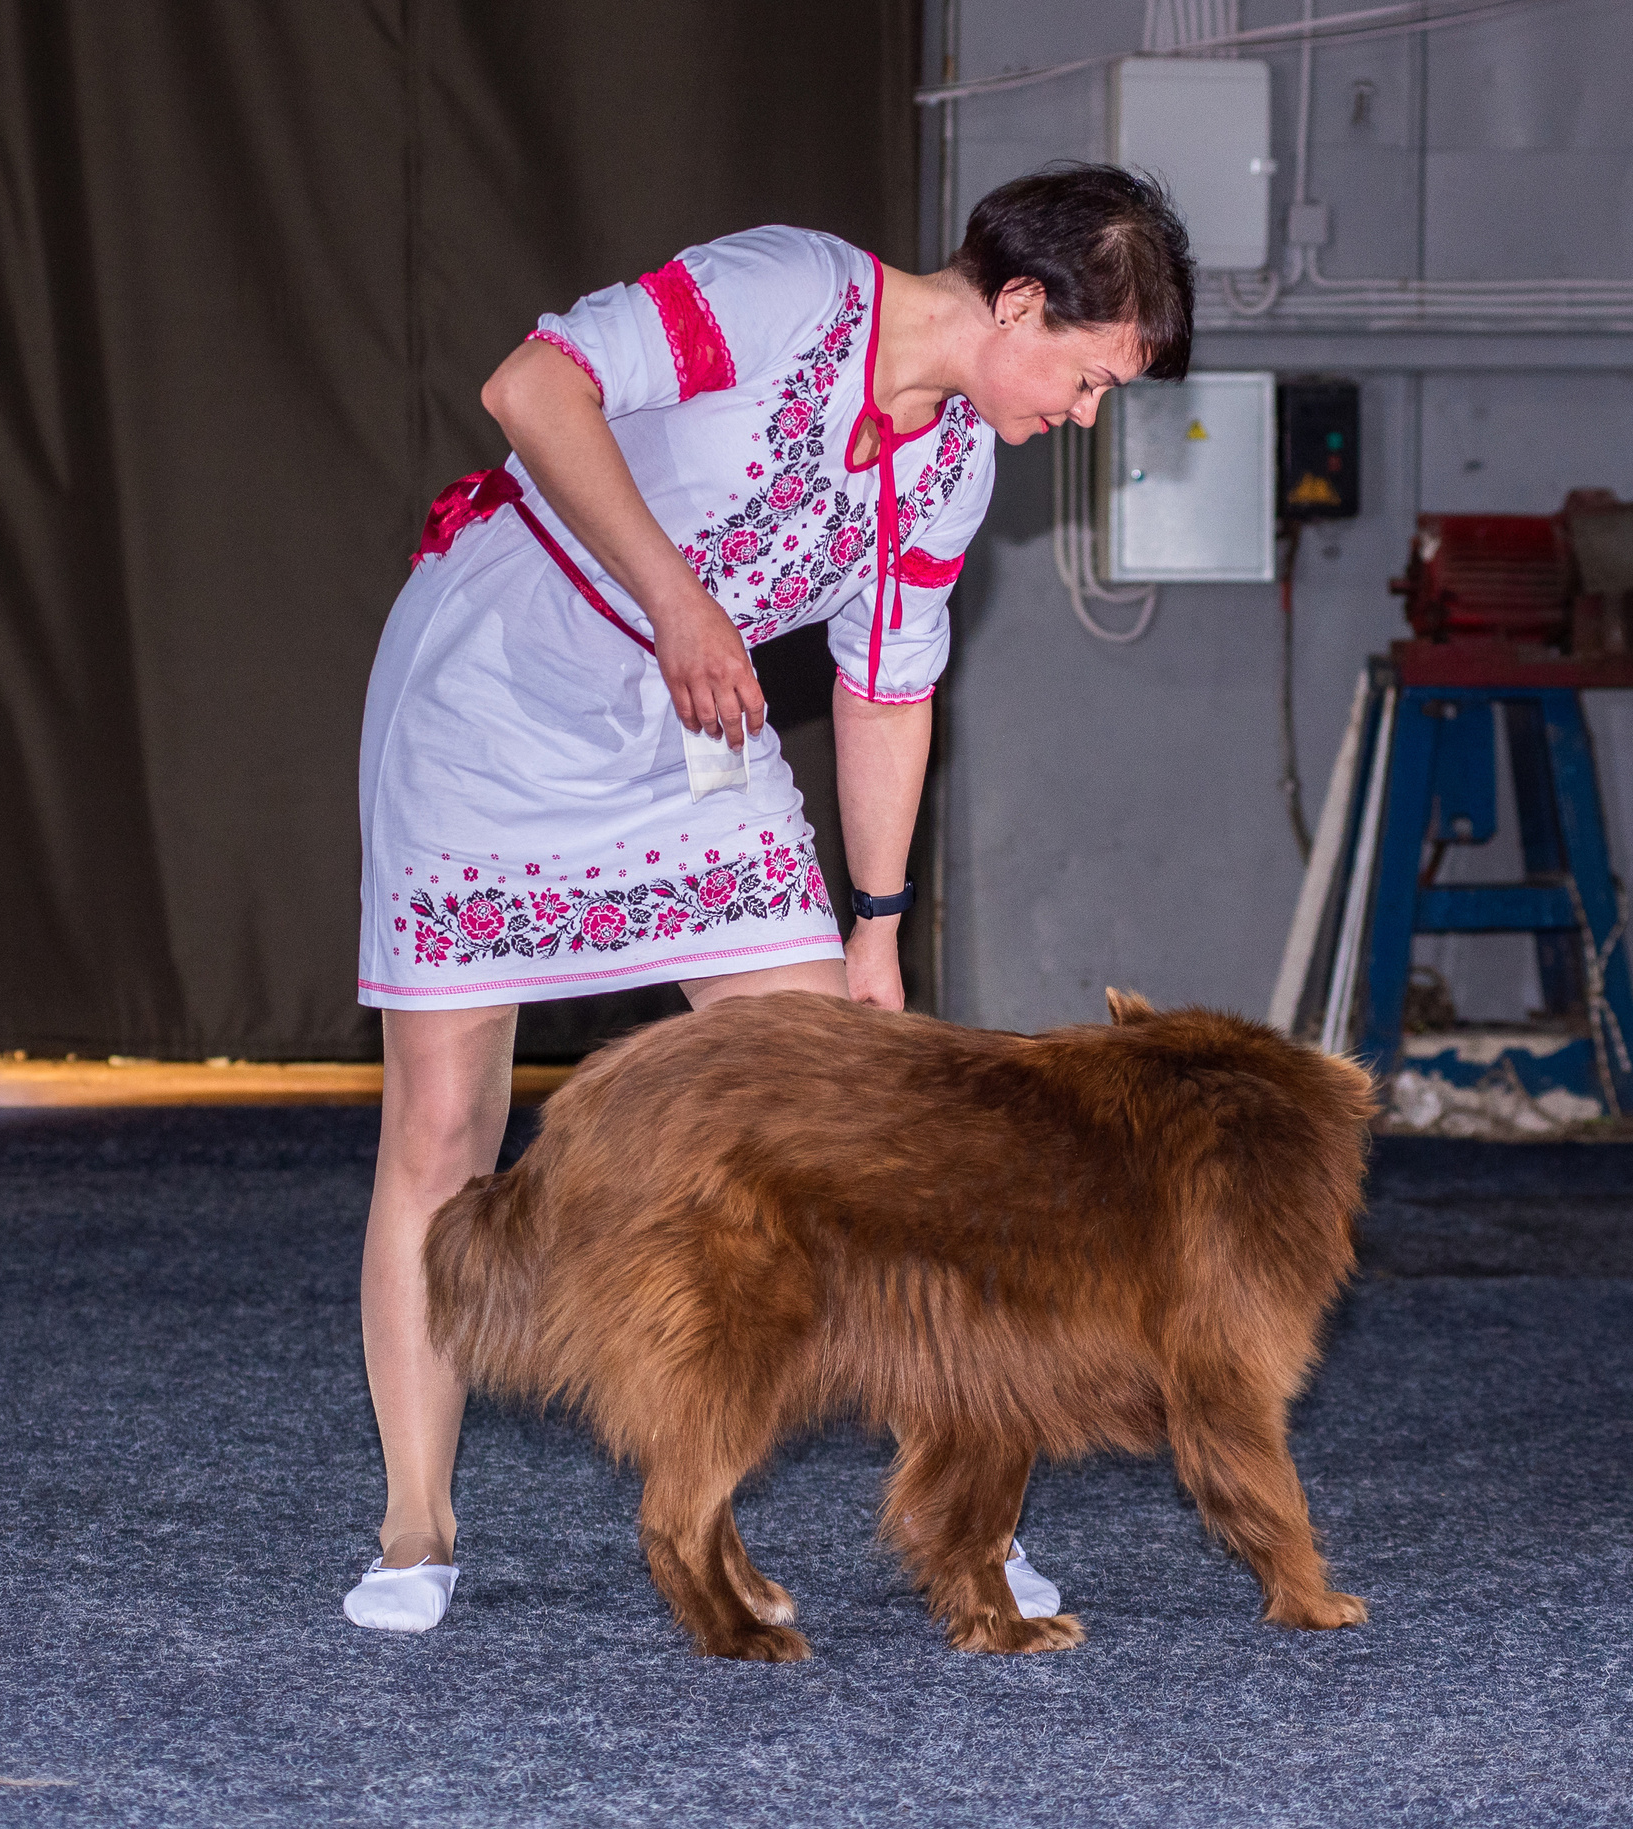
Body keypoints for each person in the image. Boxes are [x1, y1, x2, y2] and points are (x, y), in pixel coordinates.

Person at [343, 164, 1195, 1632]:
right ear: (1018, 302)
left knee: (876, 1131)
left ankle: (967, 1522)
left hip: (696, 740)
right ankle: (415, 1525)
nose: (1088, 414)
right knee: (442, 1125)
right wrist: (681, 598)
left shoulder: (952, 465)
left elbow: (885, 691)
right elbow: (531, 391)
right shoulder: (787, 292)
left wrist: (877, 932)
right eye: (1091, 375)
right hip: (496, 696)